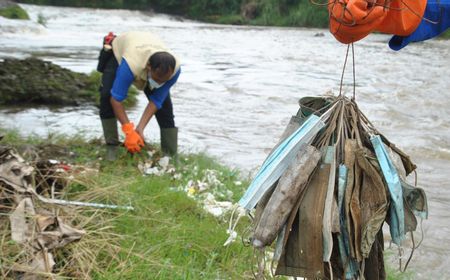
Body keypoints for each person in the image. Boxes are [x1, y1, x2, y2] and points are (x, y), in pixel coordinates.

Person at [97, 31, 181, 160]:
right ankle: (112, 148)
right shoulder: (130, 65)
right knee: (107, 95)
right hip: (121, 51)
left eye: (163, 81)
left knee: (165, 108)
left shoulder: (174, 71)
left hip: (149, 46)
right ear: (148, 67)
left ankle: (170, 156)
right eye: (157, 78)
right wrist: (129, 131)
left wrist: (140, 129)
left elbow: (156, 101)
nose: (159, 83)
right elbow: (116, 100)